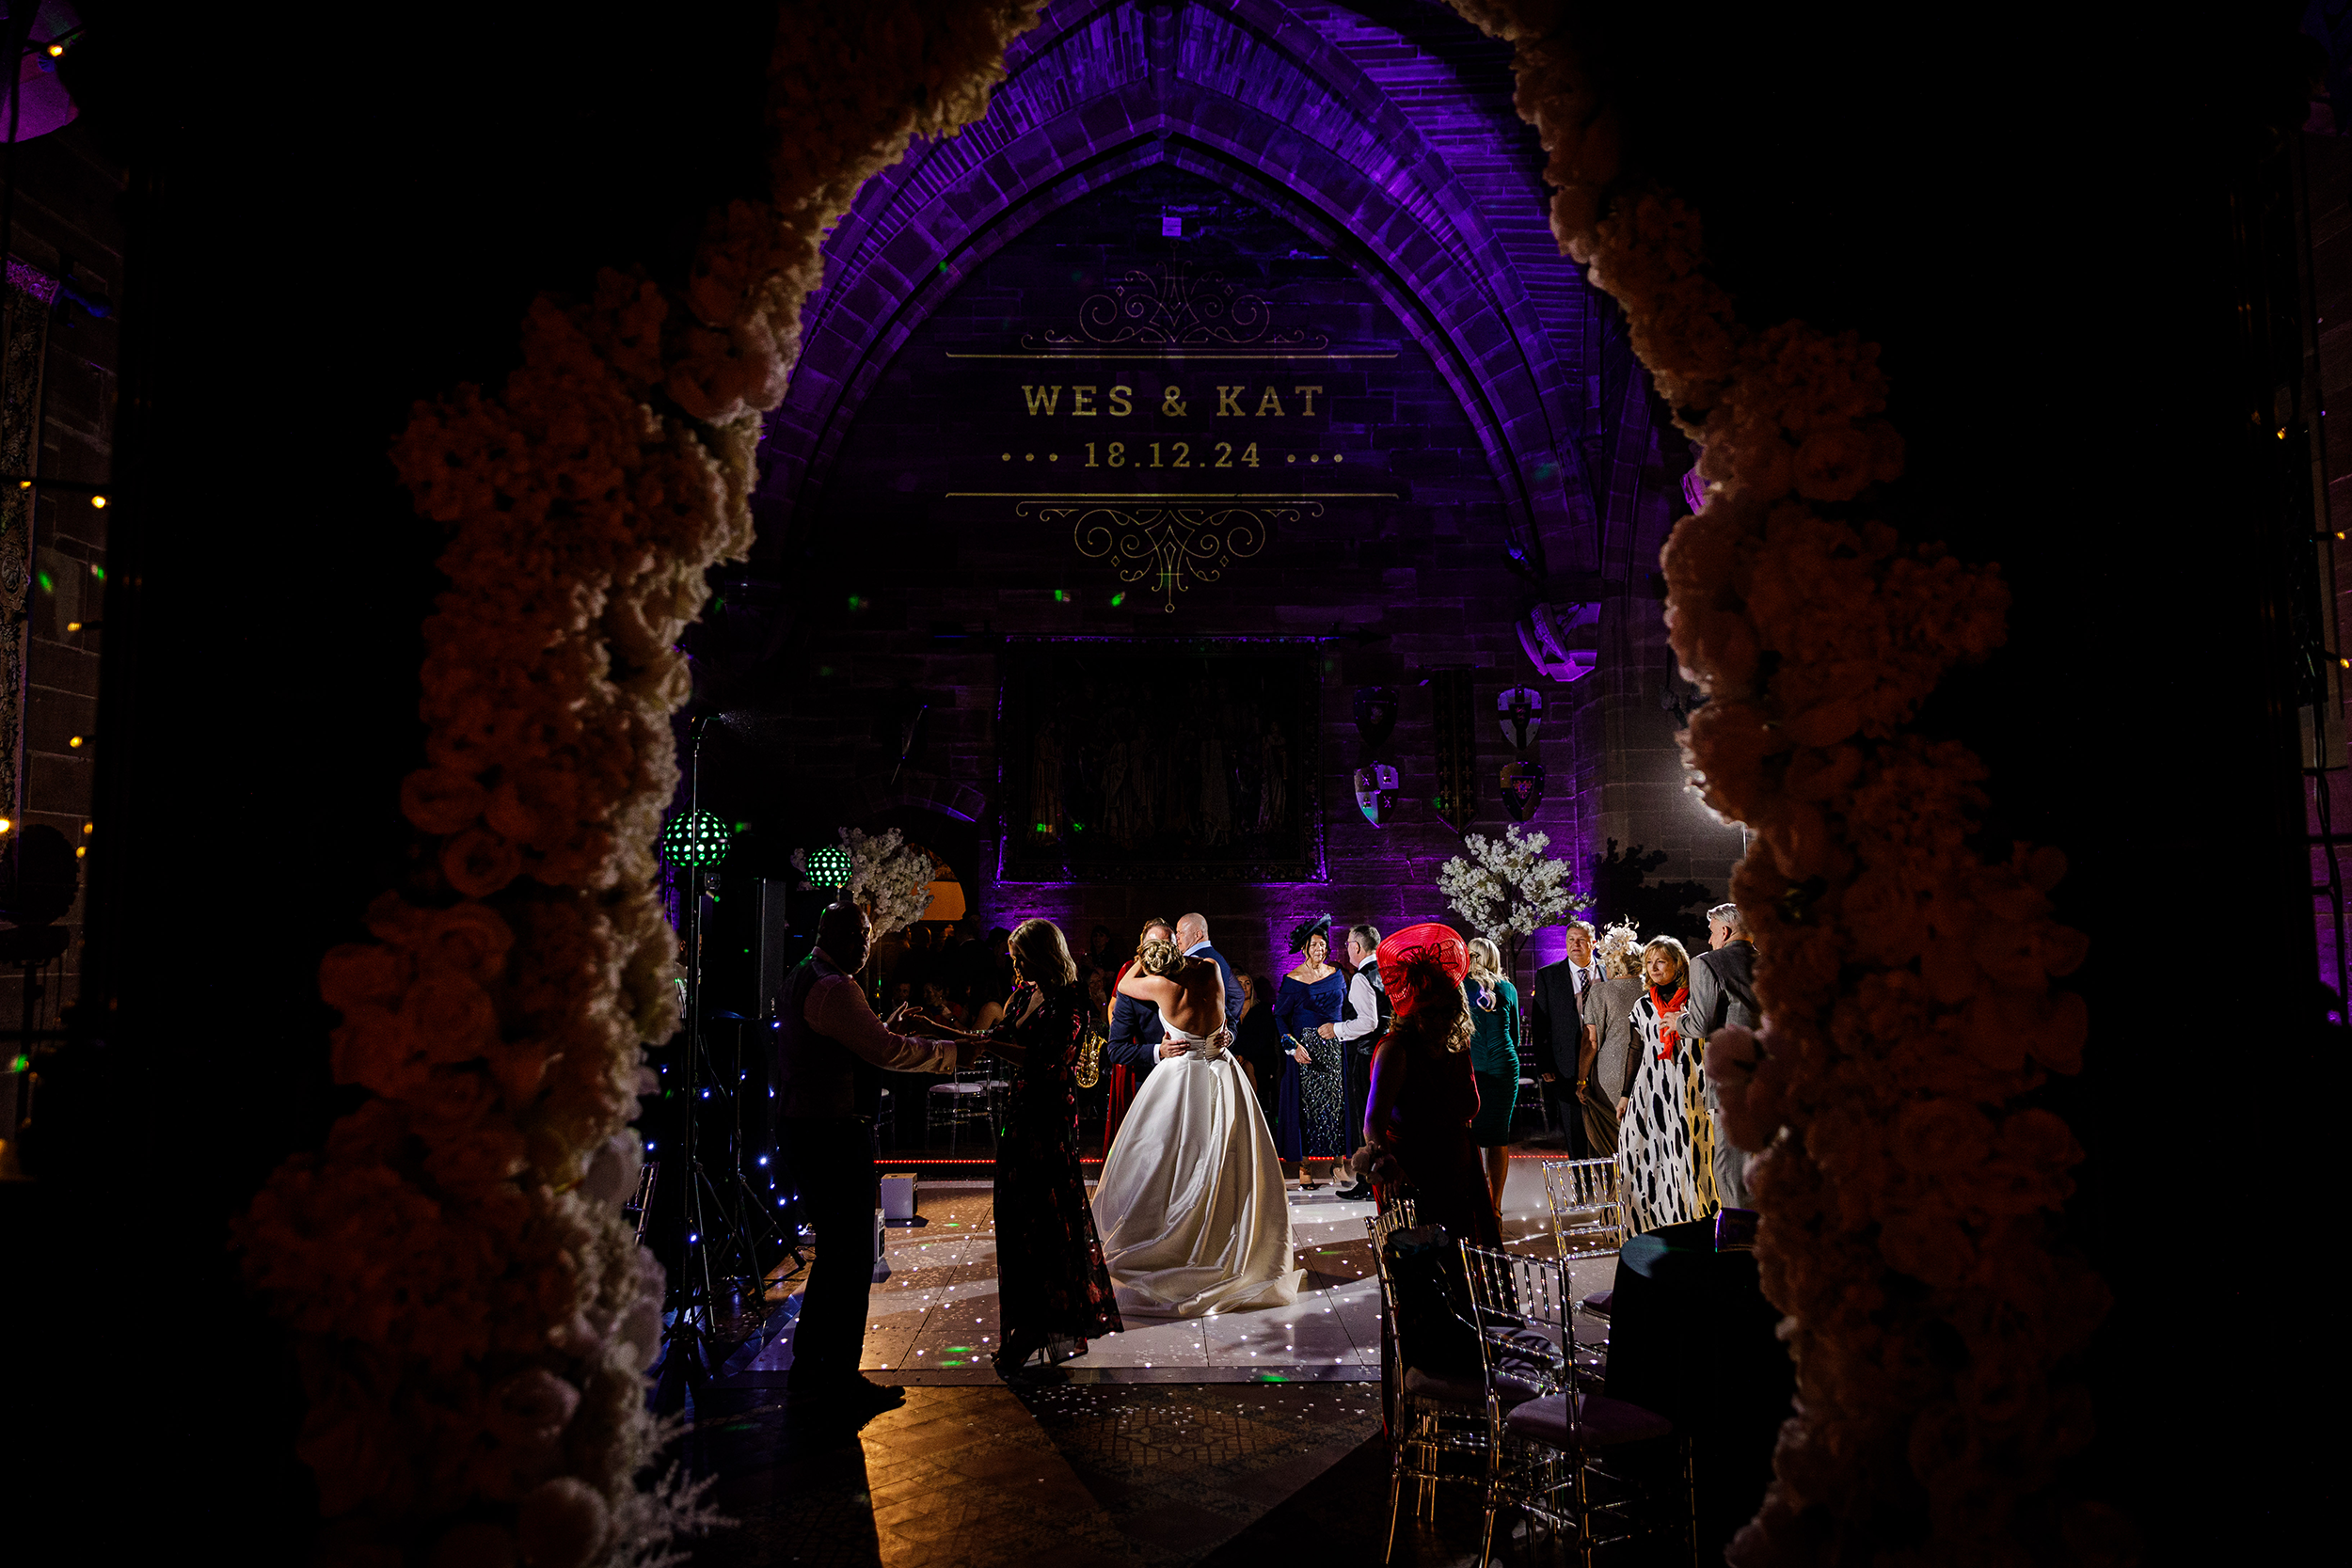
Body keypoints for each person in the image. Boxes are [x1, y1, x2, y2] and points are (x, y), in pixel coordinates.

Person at [773, 902, 979, 1413]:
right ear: (839, 935)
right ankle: (839, 1378)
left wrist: (880, 1026)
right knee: (849, 1259)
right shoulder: (835, 987)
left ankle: (811, 1368)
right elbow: (885, 1051)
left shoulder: (801, 974)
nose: (869, 947)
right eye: (863, 936)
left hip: (804, 1127)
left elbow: (851, 1043)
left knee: (836, 1257)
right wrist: (952, 1054)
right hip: (833, 1133)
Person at [1091, 939, 1302, 1315]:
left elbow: (1124, 984)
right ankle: (1231, 1237)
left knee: (1172, 1158)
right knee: (1230, 1156)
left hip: (1182, 1076)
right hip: (1222, 1070)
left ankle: (1177, 1239)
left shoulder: (1160, 986)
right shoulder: (1210, 969)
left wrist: (1142, 960)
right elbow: (1228, 1008)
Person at [977, 919, 1122, 1377]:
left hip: (1049, 1118)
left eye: (1021, 957)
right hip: (1019, 1113)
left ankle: (1045, 1321)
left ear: (1042, 955)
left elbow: (1043, 1057)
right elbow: (999, 1038)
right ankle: (1025, 1321)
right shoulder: (1022, 994)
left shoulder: (1069, 999)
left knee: (1047, 1216)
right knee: (1016, 1215)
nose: (1014, 965)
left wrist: (985, 1046)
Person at [1362, 923, 1501, 1249]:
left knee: (1470, 1265)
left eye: (1448, 1011)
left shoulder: (1456, 1044)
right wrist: (1389, 1167)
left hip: (1460, 1170)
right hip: (1414, 1175)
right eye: (1430, 1012)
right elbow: (1373, 1123)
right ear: (1413, 1011)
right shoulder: (1396, 1050)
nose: (1440, 1020)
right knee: (1429, 1275)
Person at [1616, 935, 1718, 1234]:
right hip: (1652, 1085)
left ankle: (1693, 1213)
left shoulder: (1696, 999)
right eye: (1649, 962)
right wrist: (1625, 1095)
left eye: (1661, 961)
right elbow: (1635, 1049)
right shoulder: (1643, 1005)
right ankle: (1656, 1218)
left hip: (1690, 1083)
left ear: (1678, 963)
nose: (1654, 968)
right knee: (1646, 1148)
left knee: (1689, 1148)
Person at [1686, 902, 1759, 1210]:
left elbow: (1699, 1023)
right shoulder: (1772, 963)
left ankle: (1740, 1240)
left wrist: (1676, 1021)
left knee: (1729, 1165)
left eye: (1712, 932)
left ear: (1725, 931)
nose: (1710, 939)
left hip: (1733, 1078)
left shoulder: (1708, 963)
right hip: (1773, 1073)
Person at [1273, 914, 1348, 1185]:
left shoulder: (1337, 975)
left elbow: (1347, 1008)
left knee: (1337, 1103)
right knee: (1307, 1108)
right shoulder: (1293, 980)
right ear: (1305, 948)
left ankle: (1338, 1163)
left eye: (1323, 945)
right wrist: (1292, 1047)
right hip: (1306, 1049)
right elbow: (1280, 1017)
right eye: (1315, 945)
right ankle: (1305, 1167)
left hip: (1335, 1046)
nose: (1320, 949)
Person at [1527, 919, 1603, 1154]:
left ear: (1593, 943)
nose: (1575, 944)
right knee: (1574, 1127)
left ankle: (1613, 1183)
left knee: (1605, 1125)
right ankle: (1582, 1186)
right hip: (1565, 1063)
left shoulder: (1608, 971)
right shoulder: (1548, 975)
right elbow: (1540, 1024)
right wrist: (1544, 1064)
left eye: (1581, 940)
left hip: (1605, 1058)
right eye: (1571, 940)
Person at [1104, 916, 1181, 1143]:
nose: (1159, 951)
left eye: (1166, 945)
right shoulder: (1130, 980)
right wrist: (1155, 1051)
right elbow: (1116, 1045)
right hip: (1146, 1069)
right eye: (1152, 946)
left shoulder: (1190, 974)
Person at [1464, 936, 1520, 1212]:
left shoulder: (1461, 988)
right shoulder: (1508, 988)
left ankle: (1477, 1203)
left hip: (1472, 1069)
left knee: (1470, 1134)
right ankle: (1495, 1207)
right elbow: (1516, 1036)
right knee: (1499, 1136)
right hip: (1503, 1066)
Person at [1579, 921, 1645, 1155]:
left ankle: (1616, 1189)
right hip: (1648, 1070)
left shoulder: (1600, 991)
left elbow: (1591, 1041)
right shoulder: (1651, 990)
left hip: (1609, 1074)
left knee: (1611, 1142)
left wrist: (1581, 1080)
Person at [1331, 924, 1387, 1202]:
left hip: (1367, 1056)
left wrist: (1337, 1029)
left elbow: (1369, 1022)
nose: (1346, 949)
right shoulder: (1389, 970)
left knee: (1367, 1119)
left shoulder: (1362, 978)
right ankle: (1384, 1177)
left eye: (1347, 944)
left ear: (1356, 947)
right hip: (1388, 1053)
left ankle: (1368, 1183)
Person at [1173, 912, 1248, 1039]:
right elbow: (1238, 995)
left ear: (1198, 934)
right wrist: (1226, 1025)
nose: (1176, 937)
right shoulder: (1220, 958)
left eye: (1181, 933)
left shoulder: (1193, 961)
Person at [1232, 972, 1283, 1108]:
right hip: (1236, 1055)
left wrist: (1244, 1056)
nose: (1244, 987)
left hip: (1261, 1056)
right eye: (1240, 984)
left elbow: (1262, 1039)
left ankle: (1252, 1110)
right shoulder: (1229, 1011)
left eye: (1247, 983)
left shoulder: (1263, 1010)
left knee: (1247, 1066)